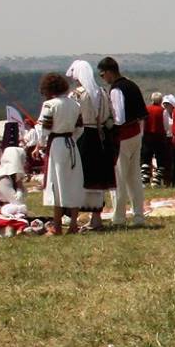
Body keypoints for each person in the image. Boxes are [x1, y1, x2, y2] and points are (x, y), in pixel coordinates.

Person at [28, 72, 85, 235]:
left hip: (57, 146)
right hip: (71, 145)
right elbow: (80, 128)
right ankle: (73, 224)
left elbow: (44, 129)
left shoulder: (49, 105)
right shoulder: (75, 105)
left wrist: (39, 145)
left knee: (56, 184)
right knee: (73, 183)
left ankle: (58, 225)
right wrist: (71, 138)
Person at [99, 56, 147, 227]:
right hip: (136, 134)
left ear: (109, 72)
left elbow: (119, 117)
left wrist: (106, 122)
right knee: (134, 178)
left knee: (118, 179)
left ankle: (119, 217)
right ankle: (138, 215)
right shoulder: (131, 84)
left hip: (123, 137)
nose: (103, 78)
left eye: (102, 75)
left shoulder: (116, 89)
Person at [67, 60, 114, 229]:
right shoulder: (102, 92)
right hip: (99, 137)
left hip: (82, 137)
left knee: (82, 177)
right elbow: (110, 115)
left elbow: (72, 117)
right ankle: (96, 218)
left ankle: (78, 216)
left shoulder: (77, 95)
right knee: (97, 177)